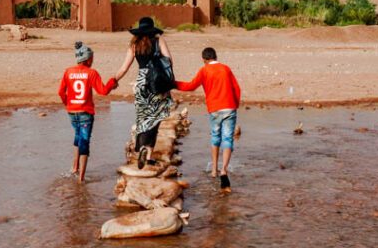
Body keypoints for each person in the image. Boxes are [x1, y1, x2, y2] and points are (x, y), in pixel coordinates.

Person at [174, 46, 241, 192]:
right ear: (216, 56)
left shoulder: (204, 70)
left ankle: (214, 170)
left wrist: (174, 83)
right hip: (229, 107)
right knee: (228, 139)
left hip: (214, 109)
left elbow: (191, 86)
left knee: (215, 137)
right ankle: (224, 170)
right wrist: (235, 105)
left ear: (204, 59)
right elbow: (237, 88)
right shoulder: (226, 69)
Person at [113, 17, 175, 169]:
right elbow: (169, 60)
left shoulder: (134, 44)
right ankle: (148, 156)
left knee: (142, 117)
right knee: (155, 118)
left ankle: (141, 148)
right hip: (156, 82)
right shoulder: (158, 41)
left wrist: (114, 80)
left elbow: (124, 67)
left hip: (141, 82)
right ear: (152, 29)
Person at [58, 41, 117, 182]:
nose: (93, 60)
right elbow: (102, 91)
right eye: (92, 58)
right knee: (84, 142)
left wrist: (68, 104)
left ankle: (74, 167)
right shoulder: (92, 73)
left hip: (72, 112)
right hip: (85, 113)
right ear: (88, 59)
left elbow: (61, 92)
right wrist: (112, 83)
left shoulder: (68, 72)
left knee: (77, 136)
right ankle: (81, 179)